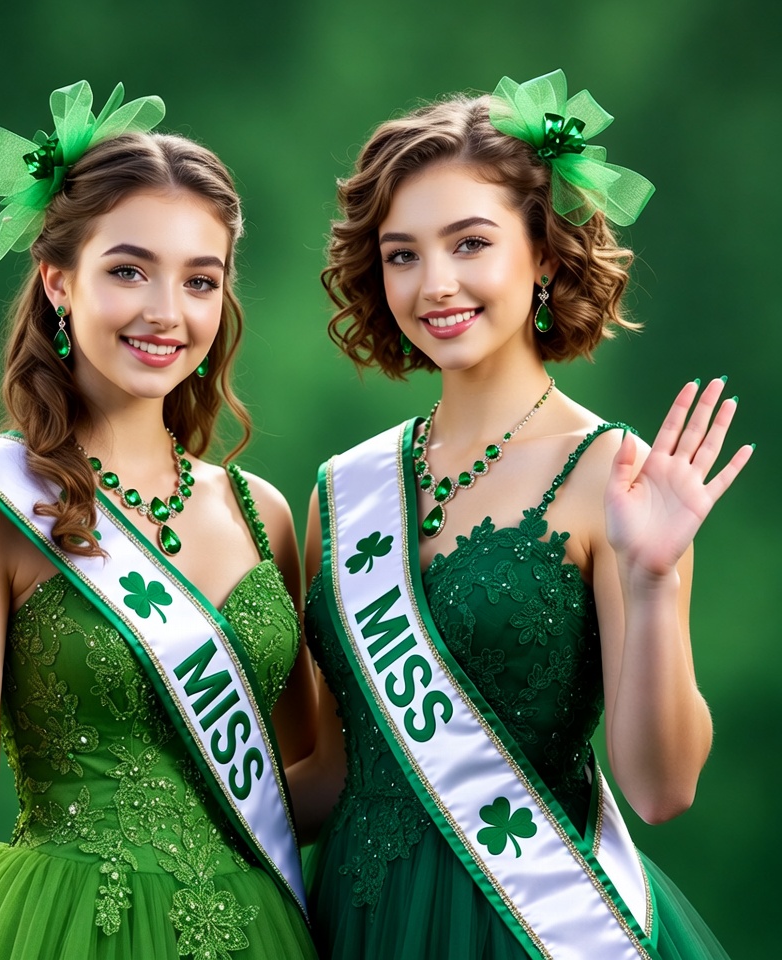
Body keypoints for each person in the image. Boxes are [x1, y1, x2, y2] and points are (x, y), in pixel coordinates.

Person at [0, 80, 317, 960]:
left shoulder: (263, 516)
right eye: (129, 270)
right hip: (65, 925)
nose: (166, 312)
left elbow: (308, 781)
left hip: (255, 933)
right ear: (58, 281)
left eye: (200, 280)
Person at [294, 69, 751, 959]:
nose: (436, 284)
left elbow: (660, 791)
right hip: (356, 921)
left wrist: (653, 581)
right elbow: (336, 771)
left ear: (542, 255)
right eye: (402, 254)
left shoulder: (614, 479)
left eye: (470, 244)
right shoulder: (344, 491)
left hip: (534, 923)